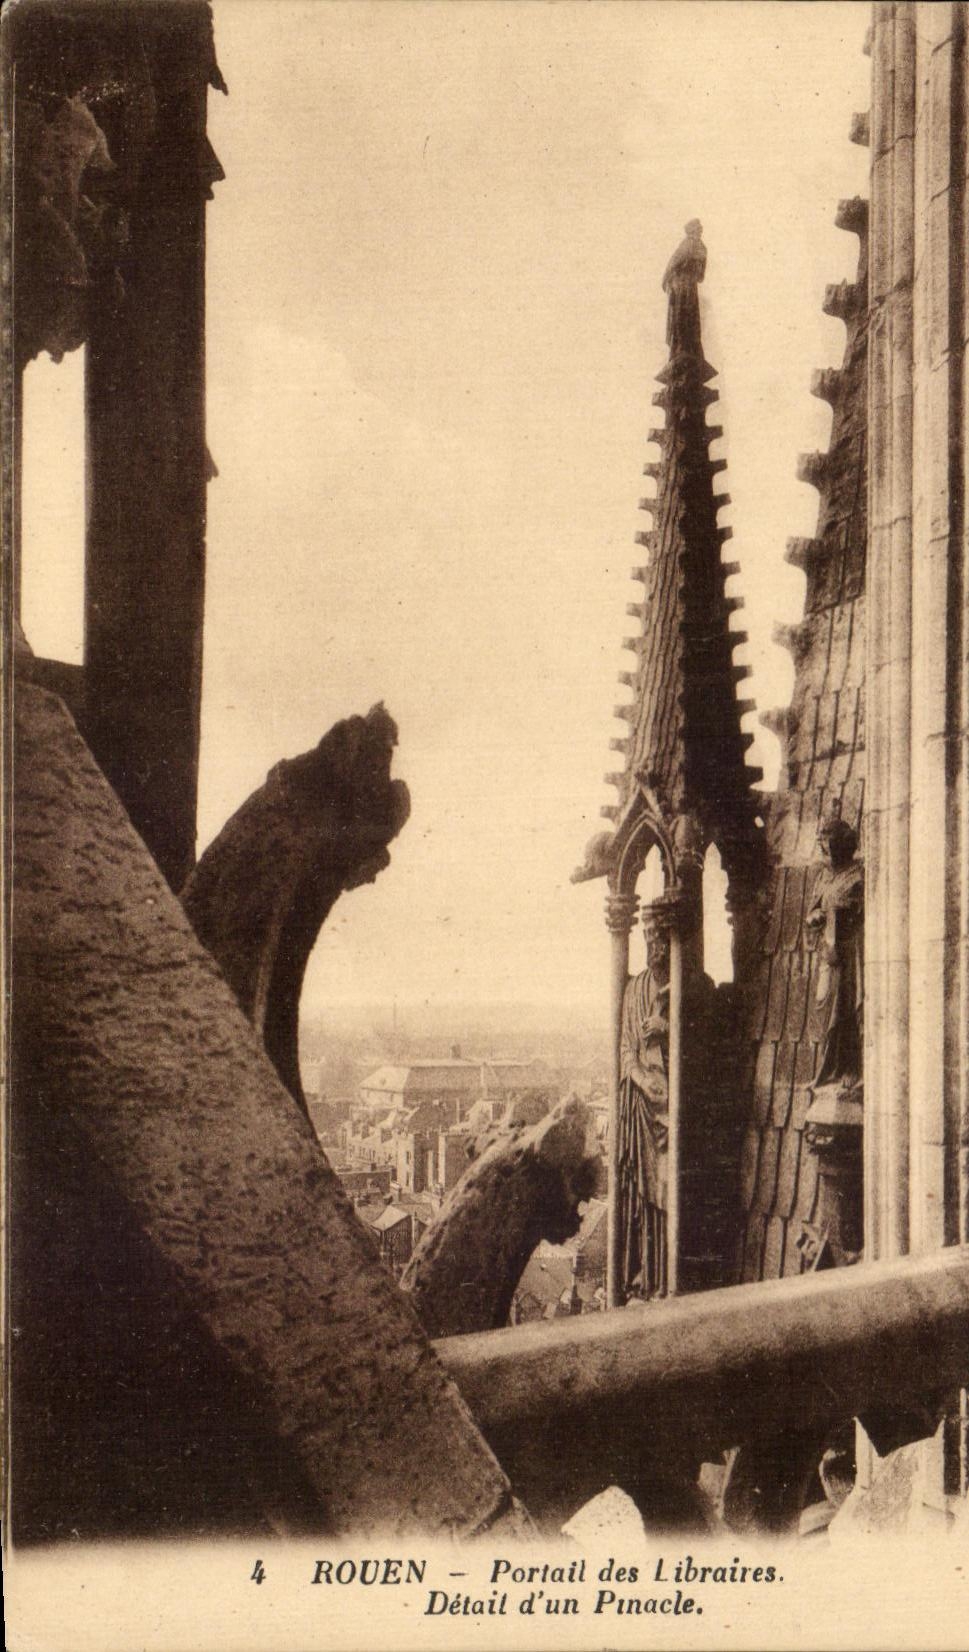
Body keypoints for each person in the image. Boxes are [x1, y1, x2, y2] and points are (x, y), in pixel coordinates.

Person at [617, 910, 671, 1299]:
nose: (654, 946)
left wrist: (670, 1028)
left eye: (661, 937)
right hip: (642, 1104)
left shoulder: (689, 988)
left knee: (667, 1194)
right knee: (640, 1196)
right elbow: (625, 1052)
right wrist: (640, 1080)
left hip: (672, 1112)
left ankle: (667, 1280)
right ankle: (643, 1279)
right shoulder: (634, 990)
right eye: (649, 937)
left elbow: (707, 1053)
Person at [805, 803, 864, 1091]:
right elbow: (812, 913)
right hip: (827, 957)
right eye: (821, 843)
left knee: (845, 1009)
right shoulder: (824, 878)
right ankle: (829, 1069)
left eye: (826, 842)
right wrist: (815, 917)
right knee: (826, 1009)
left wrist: (840, 913)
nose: (823, 849)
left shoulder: (857, 875)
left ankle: (848, 1068)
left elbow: (859, 911)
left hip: (850, 955)